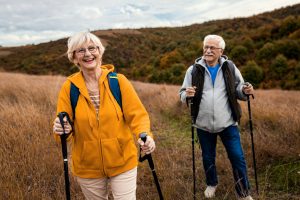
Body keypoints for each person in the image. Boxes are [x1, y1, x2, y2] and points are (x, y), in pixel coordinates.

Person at [53, 31, 155, 200]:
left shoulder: (118, 81)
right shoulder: (69, 88)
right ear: (74, 57)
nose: (87, 54)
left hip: (123, 162)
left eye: (92, 48)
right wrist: (61, 128)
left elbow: (138, 115)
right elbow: (62, 131)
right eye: (81, 50)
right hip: (87, 167)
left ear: (99, 51)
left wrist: (145, 135)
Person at [179, 34, 254, 200]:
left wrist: (245, 91)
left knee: (237, 157)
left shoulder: (230, 68)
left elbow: (239, 89)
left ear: (221, 51)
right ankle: (212, 183)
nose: (208, 50)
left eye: (212, 47)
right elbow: (182, 93)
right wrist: (187, 95)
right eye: (206, 47)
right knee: (208, 157)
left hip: (228, 123)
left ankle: (243, 193)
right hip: (203, 124)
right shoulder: (193, 70)